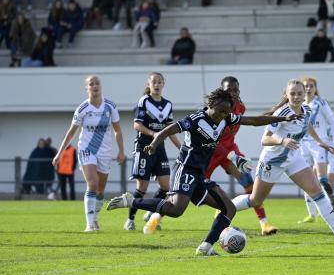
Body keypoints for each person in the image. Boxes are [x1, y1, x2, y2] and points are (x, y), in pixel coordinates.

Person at [106, 88, 302, 256]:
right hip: (186, 168)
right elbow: (167, 130)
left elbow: (254, 120)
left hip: (200, 174)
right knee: (176, 210)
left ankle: (206, 246)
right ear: (211, 105)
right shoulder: (196, 119)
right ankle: (131, 201)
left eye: (227, 112)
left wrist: (283, 117)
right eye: (220, 111)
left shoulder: (227, 118)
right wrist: (154, 144)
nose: (223, 115)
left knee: (229, 208)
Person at [231, 79, 334, 244]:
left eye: (300, 93)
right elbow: (265, 139)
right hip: (273, 161)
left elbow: (307, 126)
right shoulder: (282, 113)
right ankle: (226, 209)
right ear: (287, 94)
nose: (297, 97)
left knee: (316, 191)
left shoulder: (306, 109)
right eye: (293, 94)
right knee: (255, 200)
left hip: (292, 157)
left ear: (304, 95)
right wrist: (282, 141)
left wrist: (319, 141)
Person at [204, 76, 278, 236]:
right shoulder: (215, 111)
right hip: (211, 152)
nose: (233, 93)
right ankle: (156, 215)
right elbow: (212, 140)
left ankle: (264, 224)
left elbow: (252, 120)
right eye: (228, 90)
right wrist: (232, 156)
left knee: (249, 184)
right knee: (189, 189)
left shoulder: (240, 107)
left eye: (235, 90)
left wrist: (276, 109)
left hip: (230, 151)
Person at [52, 75, 125, 232]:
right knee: (92, 183)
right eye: (91, 84)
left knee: (100, 190)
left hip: (105, 151)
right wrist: (59, 154)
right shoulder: (83, 109)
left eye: (97, 83)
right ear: (87, 88)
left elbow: (117, 130)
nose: (95, 86)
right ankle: (89, 223)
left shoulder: (110, 106)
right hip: (87, 149)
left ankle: (96, 218)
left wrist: (121, 151)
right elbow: (71, 133)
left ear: (101, 86)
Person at [123, 72, 181, 231]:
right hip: (144, 147)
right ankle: (130, 219)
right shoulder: (144, 101)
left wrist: (182, 148)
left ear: (164, 84)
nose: (156, 84)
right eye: (154, 82)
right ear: (148, 84)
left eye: (159, 82)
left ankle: (150, 212)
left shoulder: (168, 104)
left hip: (159, 148)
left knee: (166, 186)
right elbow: (137, 125)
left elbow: (170, 130)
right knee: (142, 187)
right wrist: (154, 133)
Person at [297, 77, 334, 223]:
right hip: (303, 145)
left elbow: (332, 120)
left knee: (322, 179)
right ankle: (312, 215)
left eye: (311, 86)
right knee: (306, 180)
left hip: (318, 145)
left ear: (315, 88)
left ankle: (332, 210)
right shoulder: (300, 104)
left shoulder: (320, 102)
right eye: (306, 86)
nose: (308, 89)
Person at [299, 115, 334, 222]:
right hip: (320, 152)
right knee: (312, 181)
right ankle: (312, 215)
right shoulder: (313, 120)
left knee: (328, 184)